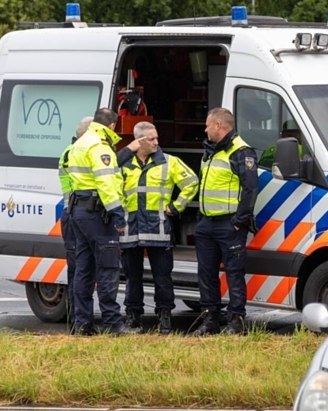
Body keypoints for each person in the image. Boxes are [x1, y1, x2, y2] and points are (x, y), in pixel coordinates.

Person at [118, 122, 199, 334]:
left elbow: (192, 182)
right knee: (132, 278)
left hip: (158, 229)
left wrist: (176, 206)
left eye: (156, 138)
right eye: (151, 139)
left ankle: (165, 319)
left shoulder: (169, 161)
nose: (156, 142)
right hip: (130, 229)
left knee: (163, 278)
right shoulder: (123, 164)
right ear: (139, 141)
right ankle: (133, 318)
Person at [192, 108, 259, 336]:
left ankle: (236, 322)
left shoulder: (241, 151)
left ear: (218, 125)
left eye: (208, 125)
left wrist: (239, 221)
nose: (206, 129)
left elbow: (250, 189)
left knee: (234, 273)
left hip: (229, 224)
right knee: (206, 273)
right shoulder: (210, 151)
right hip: (207, 223)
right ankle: (210, 320)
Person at [66, 107, 131, 335]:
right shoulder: (100, 146)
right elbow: (106, 183)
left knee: (83, 270)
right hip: (97, 214)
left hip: (79, 210)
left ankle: (82, 324)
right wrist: (117, 213)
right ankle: (113, 324)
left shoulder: (80, 143)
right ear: (112, 125)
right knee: (108, 269)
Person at [57, 116, 93, 326]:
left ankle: (78, 321)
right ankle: (77, 321)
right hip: (75, 212)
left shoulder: (70, 151)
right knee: (79, 270)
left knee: (78, 270)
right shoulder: (75, 153)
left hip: (72, 212)